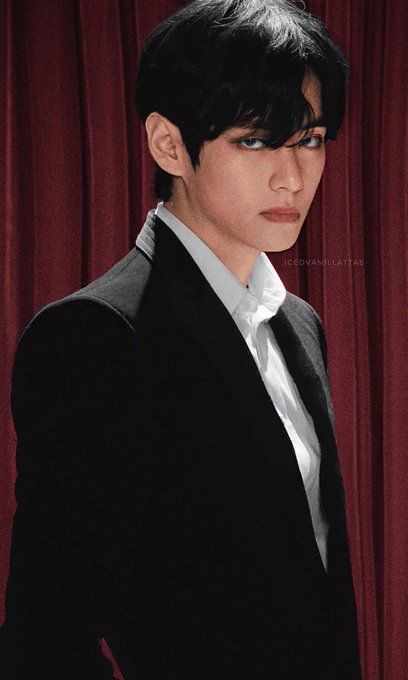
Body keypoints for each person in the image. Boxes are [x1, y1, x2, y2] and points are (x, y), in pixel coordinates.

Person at [1, 0, 362, 678]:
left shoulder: (298, 322)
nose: (293, 176)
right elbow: (46, 631)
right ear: (169, 144)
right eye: (255, 140)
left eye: (310, 139)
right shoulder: (94, 335)